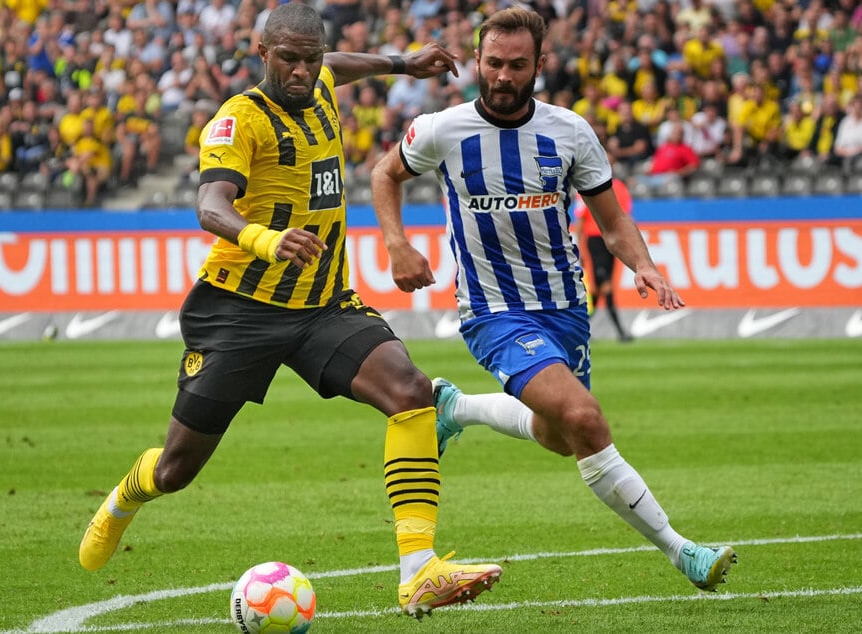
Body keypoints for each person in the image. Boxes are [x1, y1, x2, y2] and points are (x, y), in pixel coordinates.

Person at [78, 2, 502, 619]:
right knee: (176, 470)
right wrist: (265, 239)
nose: (302, 72)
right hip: (239, 312)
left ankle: (419, 570)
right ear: (263, 55)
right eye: (289, 60)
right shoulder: (239, 120)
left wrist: (400, 63)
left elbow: (343, 67)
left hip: (323, 303)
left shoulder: (323, 80)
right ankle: (125, 497)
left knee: (409, 390)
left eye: (311, 60)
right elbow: (210, 203)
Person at [370, 6, 736, 595]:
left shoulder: (570, 131)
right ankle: (682, 550)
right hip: (492, 311)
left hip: (565, 308)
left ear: (540, 64)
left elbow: (611, 220)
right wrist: (397, 244)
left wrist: (643, 265)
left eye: (518, 65)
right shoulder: (442, 129)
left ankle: (454, 409)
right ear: (478, 61)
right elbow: (384, 174)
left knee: (557, 435)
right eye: (493, 63)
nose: (504, 77)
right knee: (585, 419)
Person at [574, 168, 633, 342]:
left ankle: (578, 328)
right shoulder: (619, 187)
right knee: (606, 284)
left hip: (599, 239)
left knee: (599, 289)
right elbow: (625, 216)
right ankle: (621, 332)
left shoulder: (586, 187)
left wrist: (578, 247)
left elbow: (580, 220)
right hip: (605, 240)